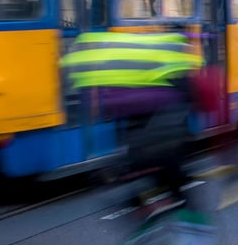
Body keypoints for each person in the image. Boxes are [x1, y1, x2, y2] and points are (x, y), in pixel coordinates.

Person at [60, 30, 204, 190]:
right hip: (155, 108)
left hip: (127, 106)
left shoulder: (114, 58)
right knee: (168, 147)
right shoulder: (174, 60)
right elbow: (184, 94)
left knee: (142, 141)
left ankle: (128, 174)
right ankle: (167, 186)